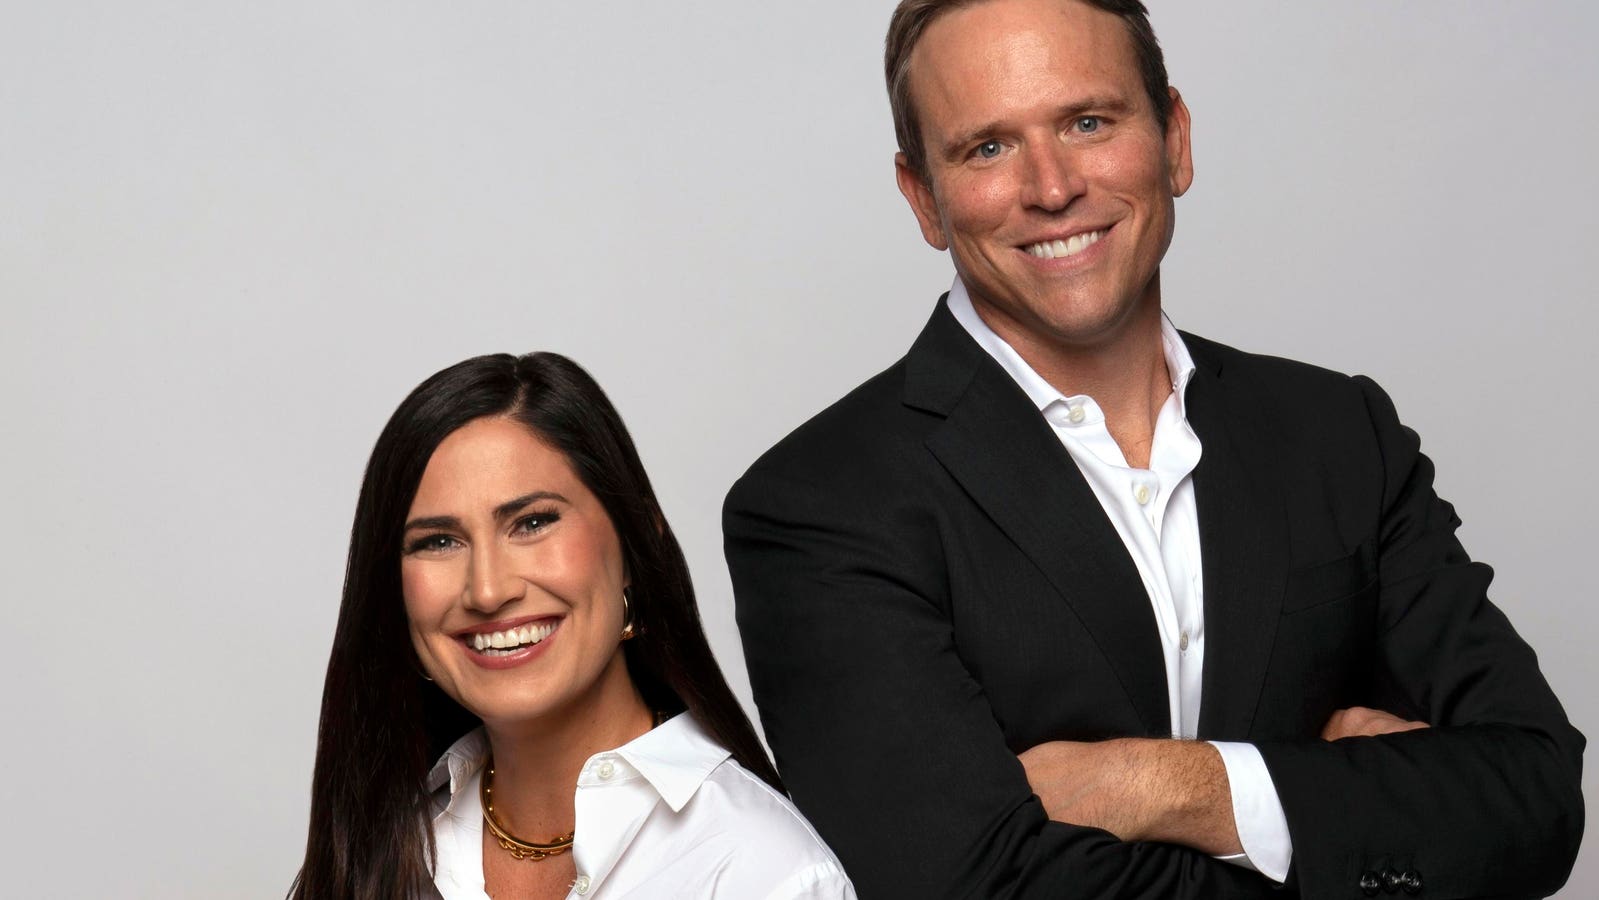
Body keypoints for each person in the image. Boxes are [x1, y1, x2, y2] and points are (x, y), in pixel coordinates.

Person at [723, 1, 1585, 898]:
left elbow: (1535, 799)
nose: (1051, 186)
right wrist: (1347, 813)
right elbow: (968, 886)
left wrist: (1161, 786)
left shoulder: (1337, 432)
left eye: (1087, 123)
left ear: (1173, 138)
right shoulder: (818, 505)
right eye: (987, 147)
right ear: (921, 197)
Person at [291, 352, 854, 900]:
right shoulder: (381, 851)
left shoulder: (765, 876)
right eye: (438, 541)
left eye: (533, 522)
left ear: (634, 548)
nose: (487, 590)